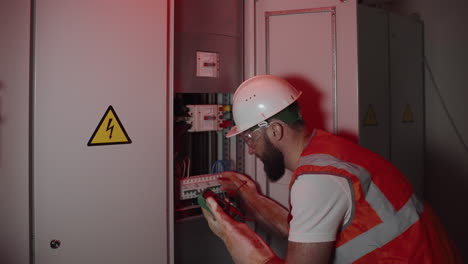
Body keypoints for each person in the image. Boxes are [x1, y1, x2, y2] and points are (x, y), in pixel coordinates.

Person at [201, 75, 460, 263]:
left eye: (249, 139)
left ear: (276, 130)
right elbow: (308, 234)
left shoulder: (318, 181)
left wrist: (231, 235)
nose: (249, 150)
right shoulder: (329, 152)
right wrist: (249, 196)